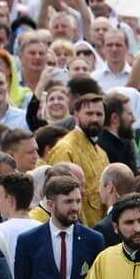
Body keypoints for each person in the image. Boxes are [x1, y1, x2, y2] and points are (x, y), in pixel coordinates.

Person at [46, 90, 109, 227]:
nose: (95, 119)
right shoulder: (65, 148)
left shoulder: (102, 152)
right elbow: (60, 197)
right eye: (89, 113)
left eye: (99, 114)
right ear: (75, 115)